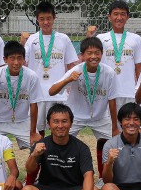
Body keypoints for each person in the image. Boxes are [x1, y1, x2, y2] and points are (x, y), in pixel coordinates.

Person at [23, 1, 78, 184]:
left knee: (59, 133)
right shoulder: (32, 40)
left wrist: (68, 87)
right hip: (38, 95)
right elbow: (26, 65)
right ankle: (33, 176)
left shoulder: (63, 39)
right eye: (42, 19)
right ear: (37, 20)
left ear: (54, 18)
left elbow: (71, 64)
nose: (45, 22)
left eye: (48, 18)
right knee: (37, 135)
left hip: (58, 95)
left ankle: (58, 172)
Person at [20, 104, 101, 190]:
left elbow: (88, 175)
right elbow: (29, 169)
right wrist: (34, 155)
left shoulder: (81, 147)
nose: (60, 126)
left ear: (71, 123)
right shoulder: (41, 144)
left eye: (64, 121)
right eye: (56, 122)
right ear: (49, 124)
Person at [49, 37, 119, 176]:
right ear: (82, 55)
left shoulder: (109, 73)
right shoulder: (76, 70)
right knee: (57, 141)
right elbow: (52, 91)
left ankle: (104, 176)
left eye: (97, 52)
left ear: (102, 54)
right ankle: (52, 173)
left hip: (100, 117)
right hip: (75, 116)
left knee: (112, 145)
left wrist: (115, 128)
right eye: (89, 53)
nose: (93, 56)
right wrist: (68, 79)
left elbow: (112, 100)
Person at [87, 0, 141, 113]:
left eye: (122, 14)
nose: (119, 17)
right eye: (116, 14)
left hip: (129, 91)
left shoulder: (136, 39)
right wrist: (89, 36)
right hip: (106, 91)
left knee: (128, 125)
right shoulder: (101, 38)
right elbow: (88, 60)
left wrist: (140, 88)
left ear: (127, 17)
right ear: (109, 17)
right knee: (108, 126)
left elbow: (139, 67)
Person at [0, 40, 42, 149]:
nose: (16, 62)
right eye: (12, 58)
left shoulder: (32, 76)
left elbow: (33, 105)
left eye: (19, 58)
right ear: (5, 59)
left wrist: (32, 132)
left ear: (24, 59)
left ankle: (32, 165)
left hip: (22, 121)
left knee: (39, 147)